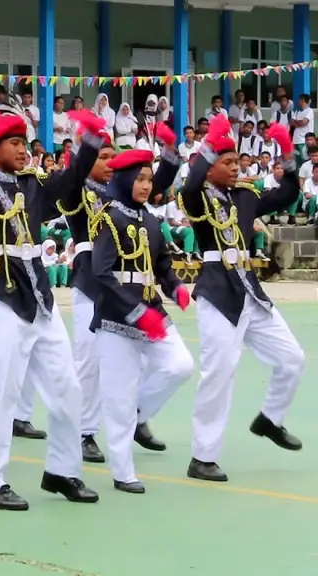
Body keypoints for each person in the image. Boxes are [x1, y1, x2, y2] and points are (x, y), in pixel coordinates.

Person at [0, 109, 105, 511]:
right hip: (4, 296)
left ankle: (63, 471)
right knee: (1, 391)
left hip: (41, 299)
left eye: (23, 142)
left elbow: (71, 179)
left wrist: (92, 140)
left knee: (68, 389)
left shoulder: (33, 185)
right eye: (13, 143)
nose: (22, 150)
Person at [177, 115, 305, 482]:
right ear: (211, 166)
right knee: (219, 372)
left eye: (238, 162)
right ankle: (202, 457)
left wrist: (288, 155)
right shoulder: (198, 198)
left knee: (292, 359)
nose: (236, 168)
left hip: (249, 290)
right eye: (227, 162)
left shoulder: (245, 196)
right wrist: (208, 146)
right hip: (218, 291)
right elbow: (187, 188)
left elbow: (287, 195)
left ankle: (269, 419)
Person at [54, 127, 176, 463]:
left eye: (112, 157)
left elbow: (157, 184)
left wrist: (169, 154)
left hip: (129, 285)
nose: (109, 163)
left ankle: (137, 414)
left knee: (144, 358)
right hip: (91, 278)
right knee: (89, 360)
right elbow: (71, 178)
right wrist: (84, 148)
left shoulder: (121, 190)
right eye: (102, 156)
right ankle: (85, 432)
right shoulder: (78, 191)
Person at [91, 148, 195, 493]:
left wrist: (176, 287)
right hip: (117, 316)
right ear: (122, 179)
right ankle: (123, 471)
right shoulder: (108, 217)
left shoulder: (151, 220)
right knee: (118, 393)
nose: (146, 185)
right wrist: (134, 312)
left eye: (149, 179)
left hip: (152, 307)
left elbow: (162, 263)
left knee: (180, 365)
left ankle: (139, 414)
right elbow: (101, 273)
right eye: (139, 179)